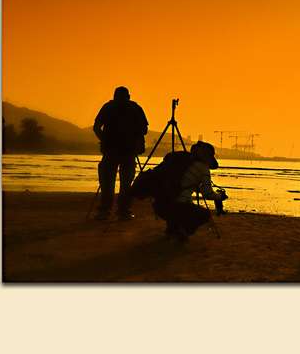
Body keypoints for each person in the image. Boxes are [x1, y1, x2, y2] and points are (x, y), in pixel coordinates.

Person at [93, 86, 148, 220]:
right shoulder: (135, 108)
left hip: (113, 150)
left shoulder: (108, 107)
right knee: (125, 183)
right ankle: (123, 211)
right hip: (126, 151)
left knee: (107, 182)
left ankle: (106, 210)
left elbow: (96, 127)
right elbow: (144, 130)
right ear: (128, 96)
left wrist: (104, 139)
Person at [158, 141, 228, 242]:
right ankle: (182, 232)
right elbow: (208, 194)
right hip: (176, 207)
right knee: (204, 214)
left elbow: (187, 186)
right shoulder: (203, 168)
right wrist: (220, 197)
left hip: (160, 206)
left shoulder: (186, 164)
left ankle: (172, 229)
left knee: (183, 203)